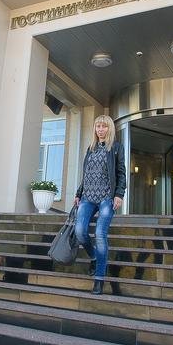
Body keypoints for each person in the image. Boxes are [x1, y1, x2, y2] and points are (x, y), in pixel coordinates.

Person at [73, 115, 126, 295]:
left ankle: (99, 279)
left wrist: (119, 194)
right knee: (80, 231)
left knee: (100, 235)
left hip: (106, 197)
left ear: (109, 128)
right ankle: (94, 256)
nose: (100, 129)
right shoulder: (91, 148)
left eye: (104, 126)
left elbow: (121, 173)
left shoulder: (116, 148)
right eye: (98, 126)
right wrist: (78, 193)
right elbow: (86, 174)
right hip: (87, 197)